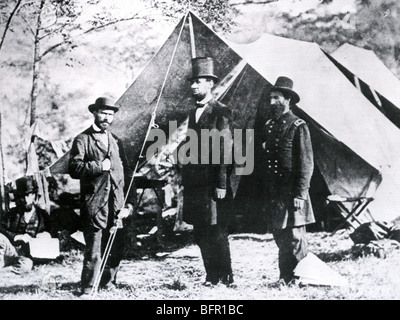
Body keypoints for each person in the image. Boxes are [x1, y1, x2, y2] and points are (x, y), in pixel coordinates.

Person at [69, 96, 136, 297]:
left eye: (110, 114)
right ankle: (88, 287)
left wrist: (128, 203)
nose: (106, 117)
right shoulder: (82, 139)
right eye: (103, 113)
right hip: (95, 204)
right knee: (94, 248)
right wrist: (99, 166)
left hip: (116, 204)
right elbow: (74, 168)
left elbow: (127, 174)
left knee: (116, 244)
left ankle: (108, 282)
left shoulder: (116, 141)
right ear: (95, 113)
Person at [181, 57, 234, 287]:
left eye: (199, 82)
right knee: (201, 232)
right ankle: (211, 276)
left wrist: (221, 183)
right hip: (195, 184)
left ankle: (227, 276)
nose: (194, 86)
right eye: (192, 82)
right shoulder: (194, 114)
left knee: (217, 231)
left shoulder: (221, 111)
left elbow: (225, 150)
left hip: (213, 183)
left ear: (210, 84)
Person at [261, 76, 315, 285]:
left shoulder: (298, 126)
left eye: (276, 98)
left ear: (288, 100)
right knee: (280, 235)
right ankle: (286, 277)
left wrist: (301, 194)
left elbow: (306, 164)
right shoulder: (270, 125)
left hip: (293, 192)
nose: (272, 102)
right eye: (270, 98)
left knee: (295, 237)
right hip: (277, 192)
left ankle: (301, 278)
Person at [0, 176, 51, 274]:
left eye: (29, 195)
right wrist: (16, 236)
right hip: (11, 249)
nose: (26, 199)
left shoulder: (42, 215)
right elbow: (1, 228)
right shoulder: (12, 214)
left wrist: (46, 234)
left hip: (27, 255)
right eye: (22, 196)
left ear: (34, 196)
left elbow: (53, 230)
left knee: (26, 266)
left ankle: (4, 272)